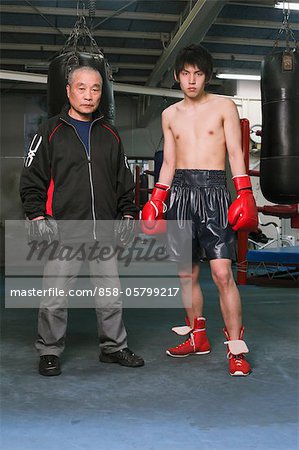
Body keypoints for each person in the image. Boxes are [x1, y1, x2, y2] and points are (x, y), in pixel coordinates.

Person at [141, 44, 258, 376]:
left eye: (198, 74)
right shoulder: (169, 115)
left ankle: (235, 350)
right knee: (185, 273)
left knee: (222, 274)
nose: (191, 80)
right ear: (178, 76)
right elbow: (169, 164)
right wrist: (155, 200)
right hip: (179, 193)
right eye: (185, 73)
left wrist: (244, 192)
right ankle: (197, 337)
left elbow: (235, 152)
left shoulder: (224, 106)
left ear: (207, 76)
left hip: (214, 193)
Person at [20, 65, 144, 376]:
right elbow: (32, 179)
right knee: (55, 295)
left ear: (102, 93)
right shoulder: (49, 131)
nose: (88, 96)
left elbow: (123, 180)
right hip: (64, 229)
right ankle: (49, 350)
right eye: (82, 88)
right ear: (68, 91)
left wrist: (128, 212)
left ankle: (114, 348)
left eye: (95, 89)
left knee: (110, 294)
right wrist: (37, 214)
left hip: (103, 229)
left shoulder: (111, 134)